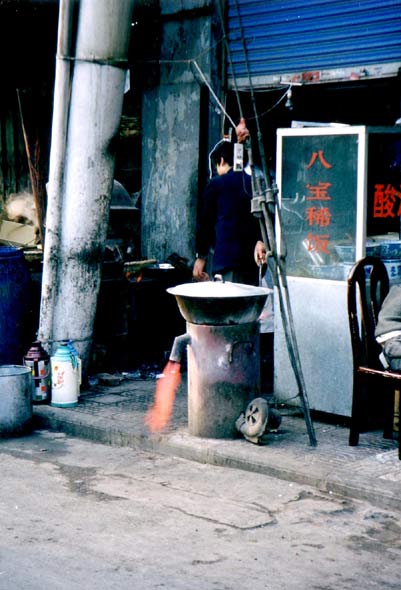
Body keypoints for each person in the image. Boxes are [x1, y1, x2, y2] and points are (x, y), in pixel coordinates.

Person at [193, 138, 266, 285]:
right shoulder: (254, 184)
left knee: (229, 305)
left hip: (227, 262)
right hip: (252, 264)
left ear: (221, 160)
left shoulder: (216, 184)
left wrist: (201, 257)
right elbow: (263, 218)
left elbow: (205, 223)